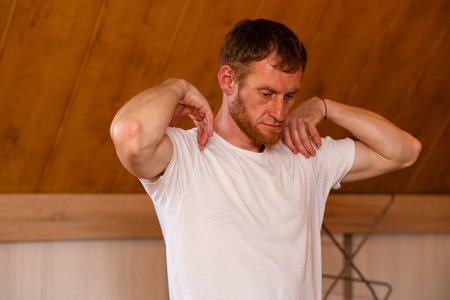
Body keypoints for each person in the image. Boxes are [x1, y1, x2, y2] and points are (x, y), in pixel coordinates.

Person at [110, 19, 421, 300]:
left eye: (289, 96)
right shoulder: (184, 156)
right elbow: (130, 133)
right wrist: (176, 87)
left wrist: (325, 107)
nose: (280, 113)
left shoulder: (305, 153)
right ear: (228, 80)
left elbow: (405, 151)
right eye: (267, 94)